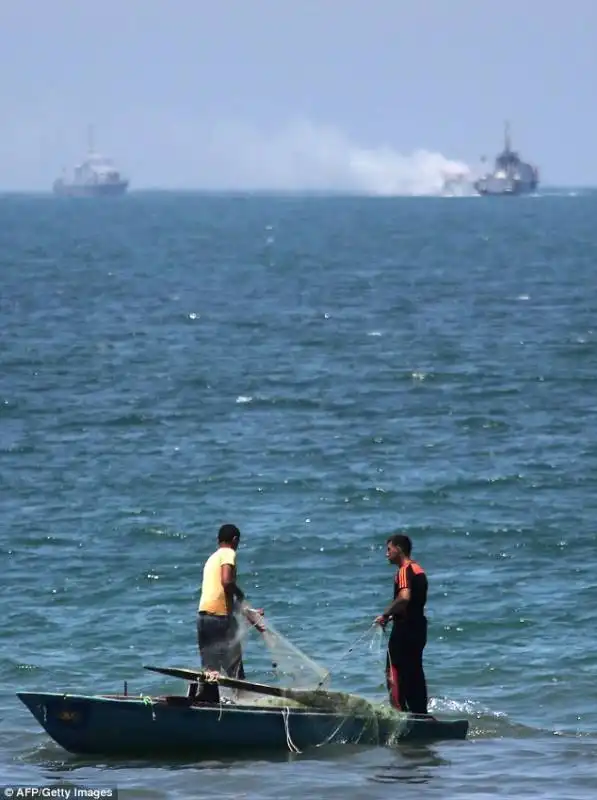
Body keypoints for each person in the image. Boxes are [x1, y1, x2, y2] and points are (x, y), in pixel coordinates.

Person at [196, 523, 264, 681]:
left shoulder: (211, 559)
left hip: (203, 618)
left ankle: (209, 701)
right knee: (235, 669)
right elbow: (226, 582)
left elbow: (220, 595)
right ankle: (241, 700)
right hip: (220, 618)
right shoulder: (228, 553)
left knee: (210, 670)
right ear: (234, 540)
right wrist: (240, 594)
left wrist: (247, 612)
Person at [374, 533, 429, 715]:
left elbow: (404, 598)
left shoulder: (404, 570)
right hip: (419, 628)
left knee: (394, 672)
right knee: (414, 672)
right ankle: (420, 713)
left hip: (404, 630)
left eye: (389, 549)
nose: (386, 554)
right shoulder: (419, 570)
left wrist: (385, 613)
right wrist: (391, 616)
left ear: (398, 549)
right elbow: (413, 603)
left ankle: (399, 714)